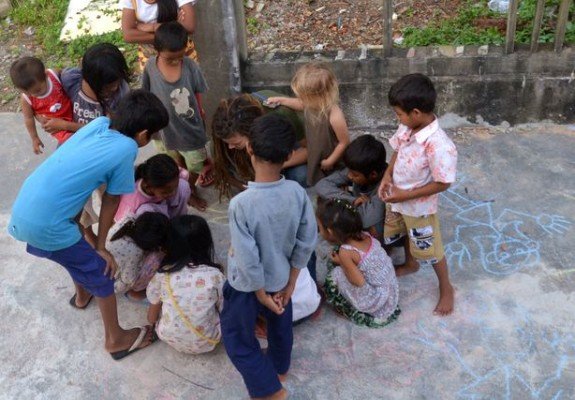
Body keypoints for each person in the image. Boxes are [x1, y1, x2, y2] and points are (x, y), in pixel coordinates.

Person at [7, 90, 169, 360]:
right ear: (142, 135)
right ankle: (115, 340)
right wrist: (103, 246)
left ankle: (82, 297)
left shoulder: (100, 124)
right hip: (49, 224)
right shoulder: (127, 148)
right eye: (151, 136)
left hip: (27, 210)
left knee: (76, 252)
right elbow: (111, 199)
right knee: (101, 272)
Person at [221, 113, 317, 400]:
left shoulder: (242, 204)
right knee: (280, 323)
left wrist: (260, 294)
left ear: (249, 149)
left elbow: (247, 257)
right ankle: (280, 367)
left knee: (236, 337)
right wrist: (290, 284)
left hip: (248, 287)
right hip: (282, 279)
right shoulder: (297, 192)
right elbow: (307, 240)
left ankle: (270, 391)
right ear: (289, 154)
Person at [378, 73, 457, 316]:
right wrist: (387, 175)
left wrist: (406, 195)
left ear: (416, 112)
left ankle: (446, 287)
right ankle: (411, 264)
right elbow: (398, 151)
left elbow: (443, 182)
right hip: (399, 200)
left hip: (419, 208)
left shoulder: (438, 145)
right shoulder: (408, 127)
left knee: (430, 248)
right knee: (402, 233)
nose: (397, 118)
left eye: (399, 114)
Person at [40, 43, 132, 246]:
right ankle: (89, 237)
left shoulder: (120, 95)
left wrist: (64, 124)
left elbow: (107, 130)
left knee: (114, 198)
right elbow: (49, 77)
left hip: (102, 157)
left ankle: (119, 228)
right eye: (109, 85)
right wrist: (42, 113)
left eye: (116, 81)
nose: (114, 88)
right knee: (79, 206)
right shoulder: (72, 79)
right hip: (74, 156)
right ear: (88, 76)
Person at [142, 21, 211, 211]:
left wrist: (200, 108)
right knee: (172, 163)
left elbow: (197, 90)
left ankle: (189, 189)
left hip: (189, 127)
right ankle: (180, 189)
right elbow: (146, 95)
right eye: (169, 58)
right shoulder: (149, 67)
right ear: (157, 51)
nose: (175, 61)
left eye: (179, 57)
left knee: (195, 163)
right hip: (162, 131)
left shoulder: (190, 66)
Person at [147, 215, 225, 354]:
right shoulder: (215, 276)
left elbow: (151, 317)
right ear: (206, 243)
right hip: (207, 341)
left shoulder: (162, 274)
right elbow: (224, 309)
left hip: (167, 336)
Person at [318, 199, 400, 328]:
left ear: (330, 232)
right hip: (390, 291)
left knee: (336, 274)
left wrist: (342, 263)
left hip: (376, 299)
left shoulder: (346, 251)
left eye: (320, 228)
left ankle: (346, 308)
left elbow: (358, 282)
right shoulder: (365, 234)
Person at [212, 92, 308, 199]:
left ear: (252, 132)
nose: (230, 147)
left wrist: (272, 165)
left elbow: (307, 151)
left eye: (236, 143)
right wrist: (246, 187)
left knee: (301, 175)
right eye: (227, 142)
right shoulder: (224, 127)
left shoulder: (283, 115)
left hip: (282, 150)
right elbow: (222, 168)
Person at [268, 62, 350, 186]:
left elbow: (344, 142)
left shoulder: (334, 115)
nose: (302, 100)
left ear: (320, 95)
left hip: (329, 156)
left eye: (305, 97)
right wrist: (282, 100)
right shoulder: (312, 104)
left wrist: (331, 160)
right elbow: (300, 104)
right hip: (315, 150)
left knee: (329, 179)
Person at [315, 135, 388, 241]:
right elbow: (321, 185)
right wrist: (352, 200)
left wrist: (343, 203)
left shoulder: (385, 186)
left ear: (373, 174)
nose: (349, 176)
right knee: (320, 199)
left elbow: (367, 219)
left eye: (354, 174)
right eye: (348, 171)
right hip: (358, 211)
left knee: (374, 227)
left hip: (377, 226)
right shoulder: (358, 168)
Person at [10, 57, 74, 153]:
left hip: (73, 111)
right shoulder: (26, 99)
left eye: (37, 90)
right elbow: (28, 118)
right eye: (27, 92)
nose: (33, 95)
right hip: (57, 127)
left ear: (46, 76)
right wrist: (34, 138)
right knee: (71, 142)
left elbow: (69, 76)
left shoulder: (53, 75)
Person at [121, 0, 198, 70]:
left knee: (188, 81)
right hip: (150, 55)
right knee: (157, 83)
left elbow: (189, 26)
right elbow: (129, 36)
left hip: (180, 52)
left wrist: (152, 27)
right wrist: (175, 26)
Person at [115, 154, 191, 222]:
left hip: (164, 208)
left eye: (174, 188)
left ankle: (180, 221)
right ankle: (164, 230)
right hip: (155, 219)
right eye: (166, 192)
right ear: (148, 187)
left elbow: (184, 174)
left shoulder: (170, 175)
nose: (173, 193)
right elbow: (121, 223)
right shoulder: (131, 201)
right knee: (144, 211)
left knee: (183, 186)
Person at [107, 212, 169, 295]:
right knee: (155, 261)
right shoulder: (135, 253)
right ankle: (134, 294)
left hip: (107, 262)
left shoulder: (128, 219)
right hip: (113, 283)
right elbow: (127, 280)